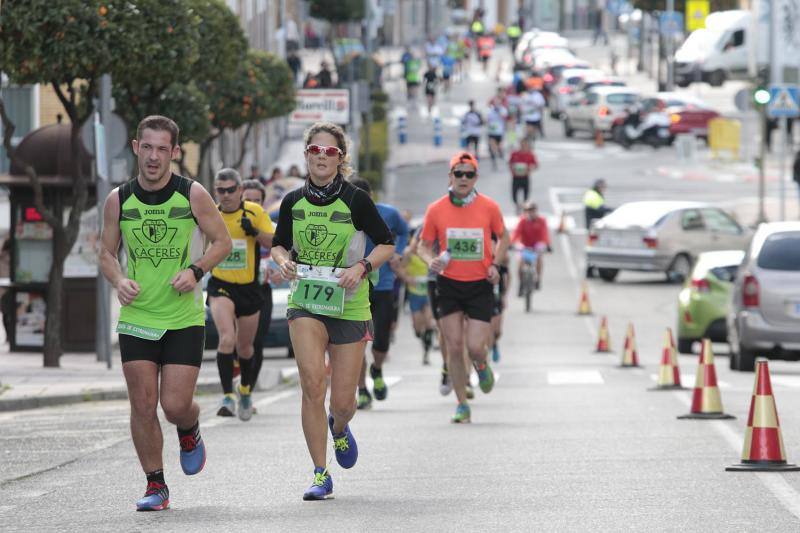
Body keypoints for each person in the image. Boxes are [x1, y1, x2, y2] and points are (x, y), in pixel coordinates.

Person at [99, 115, 232, 511]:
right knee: (142, 404)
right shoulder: (118, 200)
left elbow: (222, 242)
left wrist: (196, 271)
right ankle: (155, 485)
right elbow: (106, 253)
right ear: (136, 147)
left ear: (174, 152)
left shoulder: (192, 194)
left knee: (174, 405)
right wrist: (119, 280)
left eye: (163, 149)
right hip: (138, 317)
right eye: (148, 147)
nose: (154, 156)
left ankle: (188, 428)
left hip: (182, 318)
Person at [271, 122, 395, 500]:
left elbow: (386, 244)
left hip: (349, 304)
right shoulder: (292, 201)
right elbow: (279, 245)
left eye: (330, 152)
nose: (322, 157)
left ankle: (339, 428)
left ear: (341, 159)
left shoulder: (356, 199)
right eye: (315, 150)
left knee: (343, 402)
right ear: (306, 154)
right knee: (312, 385)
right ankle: (320, 473)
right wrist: (282, 261)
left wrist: (362, 268)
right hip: (306, 302)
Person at [418, 151, 509, 423]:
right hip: (449, 285)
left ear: (475, 178)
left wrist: (496, 264)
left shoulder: (489, 207)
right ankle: (461, 404)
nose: (464, 179)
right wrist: (430, 260)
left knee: (475, 346)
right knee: (455, 347)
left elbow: (504, 236)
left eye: (469, 174)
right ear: (450, 176)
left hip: (480, 284)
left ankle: (481, 365)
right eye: (459, 173)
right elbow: (423, 245)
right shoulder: (436, 210)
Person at [208, 168, 275, 420]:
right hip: (221, 284)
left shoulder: (254, 212)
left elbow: (273, 241)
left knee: (245, 347)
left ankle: (245, 389)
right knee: (227, 338)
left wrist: (254, 233)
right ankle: (228, 395)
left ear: (239, 190)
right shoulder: (211, 214)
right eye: (220, 190)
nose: (225, 195)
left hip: (249, 288)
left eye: (230, 190)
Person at [348, 178, 408, 410]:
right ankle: (362, 389)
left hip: (382, 286)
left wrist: (398, 253)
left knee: (381, 340)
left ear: (371, 197)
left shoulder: (388, 213)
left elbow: (402, 232)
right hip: (355, 287)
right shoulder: (344, 215)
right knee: (358, 342)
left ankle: (378, 369)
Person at [241, 179, 275, 389]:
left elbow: (280, 251)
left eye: (257, 200)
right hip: (234, 288)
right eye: (248, 200)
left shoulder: (270, 225)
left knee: (257, 342)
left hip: (262, 289)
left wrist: (278, 271)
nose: (253, 204)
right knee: (235, 342)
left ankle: (248, 390)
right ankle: (235, 387)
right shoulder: (228, 222)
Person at [400, 228, 436, 365]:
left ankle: (426, 352)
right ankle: (423, 340)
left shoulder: (429, 252)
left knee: (429, 323)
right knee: (417, 327)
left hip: (426, 293)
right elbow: (400, 268)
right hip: (414, 293)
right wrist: (408, 278)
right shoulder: (408, 254)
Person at [511, 201, 551, 291]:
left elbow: (545, 234)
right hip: (524, 245)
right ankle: (521, 282)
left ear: (536, 211)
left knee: (539, 258)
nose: (530, 213)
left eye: (532, 210)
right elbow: (516, 233)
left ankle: (538, 279)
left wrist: (547, 245)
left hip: (536, 245)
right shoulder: (522, 221)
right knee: (520, 263)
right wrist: (511, 243)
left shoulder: (541, 221)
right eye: (527, 210)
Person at [583, 179, 611, 278]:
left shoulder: (593, 194)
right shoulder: (593, 195)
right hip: (593, 227)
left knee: (595, 248)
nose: (604, 189)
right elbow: (599, 208)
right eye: (603, 187)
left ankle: (592, 270)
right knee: (594, 248)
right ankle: (590, 270)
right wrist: (611, 209)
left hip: (594, 226)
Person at [508, 138, 539, 209]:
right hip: (516, 177)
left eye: (525, 144)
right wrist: (512, 169)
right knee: (514, 195)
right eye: (522, 144)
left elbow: (536, 165)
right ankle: (517, 205)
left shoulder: (530, 154)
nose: (523, 146)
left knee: (526, 195)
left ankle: (524, 207)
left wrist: (530, 169)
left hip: (525, 177)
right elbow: (510, 163)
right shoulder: (515, 153)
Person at [486, 98, 508, 170]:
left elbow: (505, 117)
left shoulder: (503, 110)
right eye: (495, 103)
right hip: (491, 132)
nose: (496, 105)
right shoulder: (490, 110)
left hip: (499, 132)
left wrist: (499, 112)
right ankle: (494, 161)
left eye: (498, 103)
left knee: (499, 147)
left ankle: (501, 154)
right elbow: (487, 119)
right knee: (492, 147)